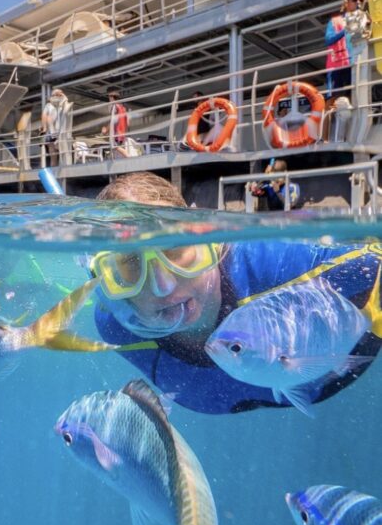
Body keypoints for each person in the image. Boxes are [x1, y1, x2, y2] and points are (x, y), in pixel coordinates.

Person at [90, 171, 381, 415]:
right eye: (129, 264)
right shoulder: (115, 327)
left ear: (204, 234)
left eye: (174, 248)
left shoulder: (281, 265)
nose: (163, 285)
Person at [325, 0, 366, 99]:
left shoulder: (363, 20)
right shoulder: (335, 21)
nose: (358, 2)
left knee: (354, 97)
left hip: (355, 64)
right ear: (346, 1)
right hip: (337, 66)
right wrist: (345, 30)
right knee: (334, 99)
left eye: (361, 0)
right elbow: (328, 39)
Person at [41, 88, 68, 167]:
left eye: (58, 95)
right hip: (52, 132)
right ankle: (54, 168)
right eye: (54, 95)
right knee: (53, 153)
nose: (56, 96)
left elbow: (66, 100)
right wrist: (44, 128)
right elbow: (44, 116)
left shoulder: (62, 104)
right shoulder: (48, 106)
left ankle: (62, 165)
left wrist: (61, 94)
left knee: (61, 150)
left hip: (60, 131)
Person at [101, 89, 130, 157]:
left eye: (109, 98)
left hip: (116, 133)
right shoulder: (123, 108)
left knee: (114, 146)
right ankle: (127, 157)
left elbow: (112, 121)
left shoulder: (114, 107)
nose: (109, 100)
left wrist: (106, 130)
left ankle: (129, 157)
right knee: (117, 148)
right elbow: (128, 122)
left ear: (112, 98)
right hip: (122, 133)